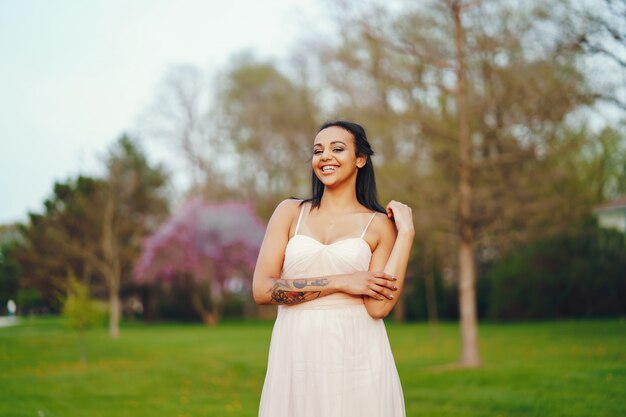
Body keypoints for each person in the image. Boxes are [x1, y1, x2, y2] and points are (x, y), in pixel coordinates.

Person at [253, 120, 414, 417]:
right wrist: (342, 282)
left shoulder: (379, 225)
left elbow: (378, 308)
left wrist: (406, 234)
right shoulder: (290, 212)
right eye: (318, 150)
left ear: (360, 159)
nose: (325, 156)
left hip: (357, 354)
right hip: (296, 353)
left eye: (337, 148)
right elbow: (262, 290)